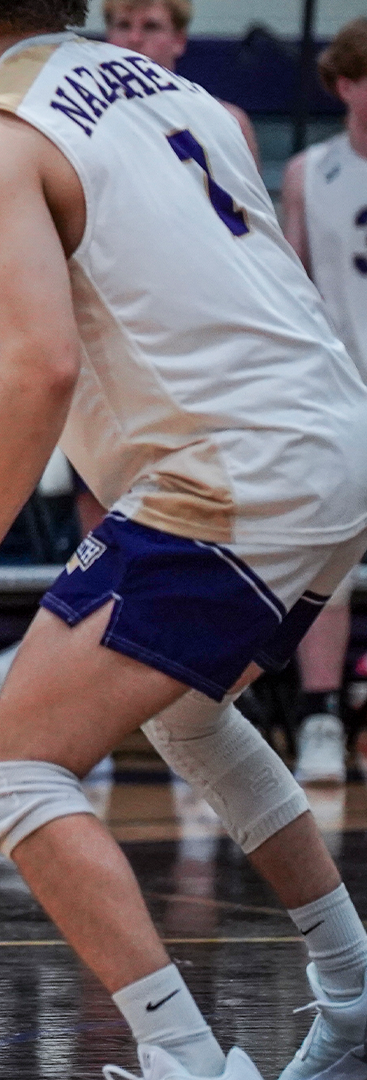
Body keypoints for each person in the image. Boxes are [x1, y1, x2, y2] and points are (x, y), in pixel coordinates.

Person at [0, 0, 367, 1076]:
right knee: (187, 713)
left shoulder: (0, 136)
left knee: (8, 774)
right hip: (333, 437)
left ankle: (184, 1059)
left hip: (234, 468)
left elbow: (40, 364)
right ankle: (352, 986)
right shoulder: (187, 97)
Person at [278, 18, 367, 788]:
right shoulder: (311, 172)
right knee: (327, 561)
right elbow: (289, 288)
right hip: (340, 395)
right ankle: (320, 716)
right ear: (345, 85)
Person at [104, 0, 259, 163]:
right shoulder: (87, 119)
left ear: (179, 40)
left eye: (151, 27)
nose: (134, 38)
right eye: (123, 26)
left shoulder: (224, 121)